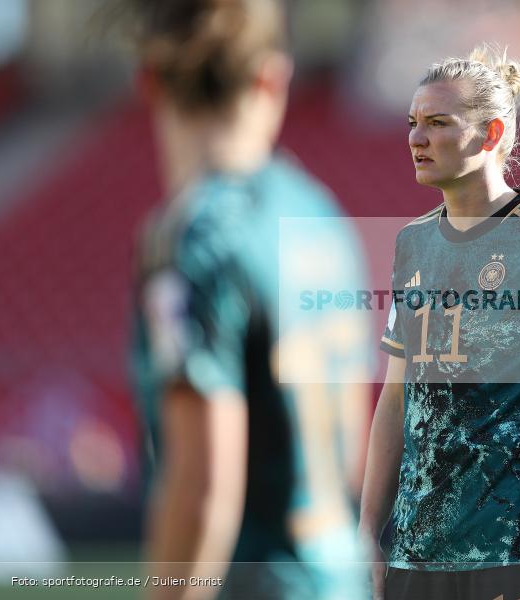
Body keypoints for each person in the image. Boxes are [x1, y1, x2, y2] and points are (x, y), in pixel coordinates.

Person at [128, 1, 370, 598]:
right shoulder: (322, 216)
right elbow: (354, 453)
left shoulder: (195, 239)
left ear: (150, 81)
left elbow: (202, 486)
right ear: (272, 76)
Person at [359, 45, 520, 600]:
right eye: (412, 123)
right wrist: (367, 533)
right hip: (417, 557)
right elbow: (395, 399)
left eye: (437, 123)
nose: (416, 139)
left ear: (491, 134)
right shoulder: (411, 244)